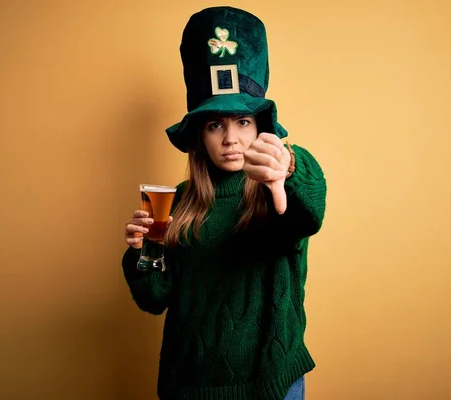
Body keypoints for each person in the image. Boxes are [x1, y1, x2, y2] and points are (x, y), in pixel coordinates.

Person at [122, 6, 326, 400]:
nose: (230, 138)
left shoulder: (279, 189)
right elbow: (154, 299)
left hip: (270, 384)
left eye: (243, 122)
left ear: (260, 127)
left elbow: (309, 213)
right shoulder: (176, 204)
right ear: (200, 134)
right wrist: (142, 252)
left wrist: (286, 168)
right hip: (190, 386)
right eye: (216, 124)